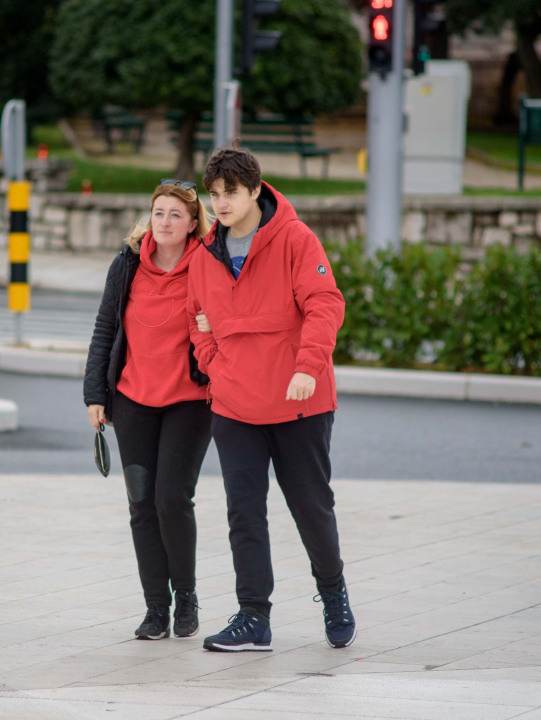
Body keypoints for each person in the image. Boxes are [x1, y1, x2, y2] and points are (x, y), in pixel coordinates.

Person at [186, 147, 355, 652]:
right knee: (244, 512)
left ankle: (333, 593)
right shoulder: (204, 257)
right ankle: (253, 616)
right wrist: (216, 368)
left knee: (310, 506)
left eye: (230, 193)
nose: (220, 204)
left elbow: (326, 304)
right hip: (234, 405)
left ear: (256, 190)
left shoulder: (295, 240)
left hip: (298, 399)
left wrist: (307, 368)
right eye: (213, 195)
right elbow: (198, 324)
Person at [84, 180, 214, 640]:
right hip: (133, 400)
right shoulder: (127, 264)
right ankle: (156, 608)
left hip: (189, 402)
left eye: (176, 214)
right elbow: (105, 327)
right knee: (141, 504)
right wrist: (94, 394)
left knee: (171, 498)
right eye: (159, 213)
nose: (165, 222)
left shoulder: (208, 264)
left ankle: (187, 598)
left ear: (193, 222)